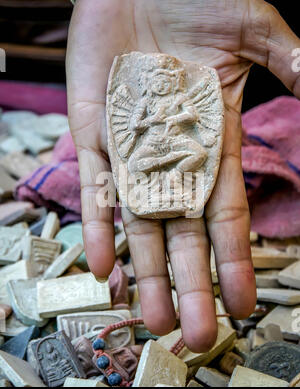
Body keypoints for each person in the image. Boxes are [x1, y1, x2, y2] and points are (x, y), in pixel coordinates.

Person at [66, 0, 300, 353]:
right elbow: (133, 126)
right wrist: (147, 123)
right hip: (152, 149)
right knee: (138, 163)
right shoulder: (145, 101)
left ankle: (175, 181)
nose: (161, 86)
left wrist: (179, 119)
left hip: (177, 145)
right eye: (156, 82)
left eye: (166, 81)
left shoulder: (178, 99)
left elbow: (192, 118)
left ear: (172, 81)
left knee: (199, 154)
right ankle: (164, 183)